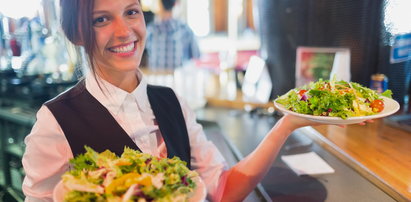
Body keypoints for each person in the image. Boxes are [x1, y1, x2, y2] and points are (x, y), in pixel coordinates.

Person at [21, 0, 371, 201]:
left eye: (131, 11)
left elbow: (222, 190)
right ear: (77, 32)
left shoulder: (171, 101)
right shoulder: (56, 122)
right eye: (101, 19)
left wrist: (288, 122)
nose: (125, 30)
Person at [145, 0, 200, 69]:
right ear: (175, 4)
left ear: (160, 5)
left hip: (156, 78)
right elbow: (196, 55)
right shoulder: (185, 29)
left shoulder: (150, 30)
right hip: (179, 78)